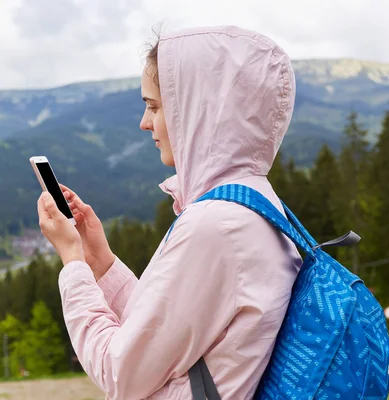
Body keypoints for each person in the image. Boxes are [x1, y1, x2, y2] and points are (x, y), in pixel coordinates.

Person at [37, 25, 303, 400]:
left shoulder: (216, 225)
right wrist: (100, 261)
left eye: (155, 106)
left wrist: (73, 263)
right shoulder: (253, 204)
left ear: (198, 110)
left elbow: (120, 374)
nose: (145, 122)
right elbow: (166, 333)